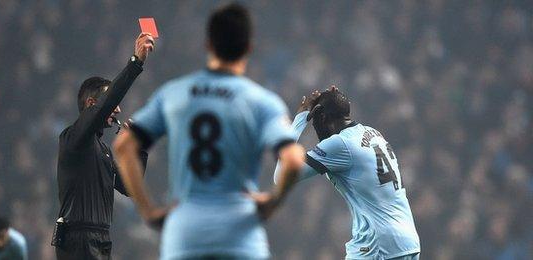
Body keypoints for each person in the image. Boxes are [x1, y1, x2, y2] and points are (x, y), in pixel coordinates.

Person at [113, 3, 305, 260]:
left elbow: (124, 146)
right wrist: (271, 202)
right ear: (249, 48)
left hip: (185, 233)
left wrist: (147, 211)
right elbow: (293, 159)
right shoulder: (262, 101)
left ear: (208, 45)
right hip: (240, 234)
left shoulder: (174, 94)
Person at [274, 86, 421, 260]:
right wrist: (333, 98)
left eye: (315, 122)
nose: (316, 129)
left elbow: (281, 175)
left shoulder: (341, 144)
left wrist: (300, 118)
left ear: (323, 117)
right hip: (407, 242)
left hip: (377, 245)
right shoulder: (374, 133)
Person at [52, 33, 155, 260]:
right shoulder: (73, 138)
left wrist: (138, 149)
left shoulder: (102, 150)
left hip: (101, 238)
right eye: (113, 103)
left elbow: (129, 188)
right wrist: (135, 63)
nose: (118, 110)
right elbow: (105, 105)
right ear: (91, 104)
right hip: (79, 238)